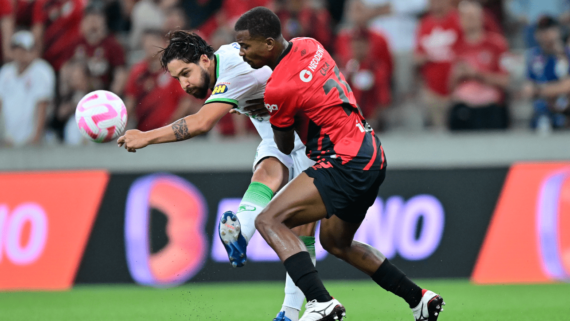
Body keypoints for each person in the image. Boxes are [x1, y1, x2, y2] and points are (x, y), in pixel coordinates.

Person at [233, 7, 444, 321]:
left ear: (268, 44)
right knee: (335, 241)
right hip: (371, 151)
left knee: (268, 221)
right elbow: (311, 93)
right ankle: (419, 299)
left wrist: (266, 111)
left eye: (246, 46)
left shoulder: (278, 89)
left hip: (343, 160)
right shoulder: (310, 45)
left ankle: (321, 302)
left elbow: (285, 146)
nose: (242, 52)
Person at [116, 30, 318, 321]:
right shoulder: (225, 66)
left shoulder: (233, 65)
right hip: (279, 137)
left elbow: (200, 123)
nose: (184, 84)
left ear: (204, 60)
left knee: (309, 235)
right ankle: (243, 237)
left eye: (186, 73)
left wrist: (146, 137)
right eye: (178, 79)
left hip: (311, 136)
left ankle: (293, 308)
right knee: (265, 171)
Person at [448, 0, 509, 130]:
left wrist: (476, 74)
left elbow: (506, 81)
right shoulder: (456, 47)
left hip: (489, 106)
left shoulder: (497, 44)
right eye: (466, 17)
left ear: (481, 18)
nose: (469, 20)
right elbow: (450, 87)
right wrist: (457, 75)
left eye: (472, 16)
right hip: (463, 106)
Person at [124, 29, 194, 132]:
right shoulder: (137, 72)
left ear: (163, 44)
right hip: (144, 134)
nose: (149, 46)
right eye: (146, 43)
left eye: (153, 42)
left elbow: (185, 101)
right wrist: (122, 127)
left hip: (169, 134)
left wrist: (172, 126)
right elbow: (130, 101)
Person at [0, 30, 55, 147]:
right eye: (16, 48)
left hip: (32, 141)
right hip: (8, 140)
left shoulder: (42, 71)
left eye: (24, 49)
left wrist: (36, 137)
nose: (20, 53)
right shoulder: (5, 72)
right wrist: (2, 136)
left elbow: (42, 105)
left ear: (33, 51)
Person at [414, 0, 462, 130]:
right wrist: (427, 57)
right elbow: (416, 57)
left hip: (456, 89)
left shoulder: (458, 20)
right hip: (432, 90)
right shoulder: (425, 24)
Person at [66, 4, 127, 95]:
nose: (93, 25)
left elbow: (121, 73)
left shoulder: (113, 45)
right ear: (83, 23)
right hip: (78, 95)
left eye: (96, 20)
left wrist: (113, 96)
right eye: (90, 21)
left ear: (104, 22)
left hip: (103, 93)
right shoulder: (76, 43)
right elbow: (65, 69)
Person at [522, 16, 570, 129]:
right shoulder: (533, 57)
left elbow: (567, 86)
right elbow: (528, 87)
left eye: (550, 29)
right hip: (542, 113)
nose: (546, 34)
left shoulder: (567, 54)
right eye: (542, 30)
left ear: (558, 31)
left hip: (566, 111)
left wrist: (538, 90)